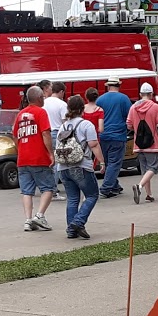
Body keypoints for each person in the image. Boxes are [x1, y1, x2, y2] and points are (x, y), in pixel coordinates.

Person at [53, 92, 102, 239]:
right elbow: (93, 144)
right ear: (82, 109)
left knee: (73, 198)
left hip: (63, 167)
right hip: (81, 165)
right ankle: (78, 222)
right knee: (92, 195)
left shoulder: (62, 127)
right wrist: (102, 161)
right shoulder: (86, 125)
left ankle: (71, 230)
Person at [14, 85, 55, 231]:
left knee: (26, 191)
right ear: (39, 98)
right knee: (48, 187)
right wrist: (50, 153)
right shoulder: (41, 112)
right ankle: (40, 215)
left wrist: (20, 150)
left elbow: (15, 135)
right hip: (38, 157)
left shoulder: (20, 114)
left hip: (23, 158)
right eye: (43, 97)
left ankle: (27, 220)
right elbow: (45, 133)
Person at [127, 82, 158, 202]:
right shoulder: (155, 107)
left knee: (145, 170)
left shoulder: (133, 107)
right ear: (151, 94)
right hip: (152, 143)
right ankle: (139, 187)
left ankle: (149, 194)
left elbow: (129, 125)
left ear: (140, 94)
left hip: (138, 144)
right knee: (153, 168)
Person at [95, 77, 132, 198]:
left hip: (103, 135)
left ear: (107, 86)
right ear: (119, 85)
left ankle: (115, 186)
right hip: (118, 135)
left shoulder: (100, 99)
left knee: (107, 162)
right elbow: (129, 116)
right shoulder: (124, 98)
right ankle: (105, 189)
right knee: (114, 163)